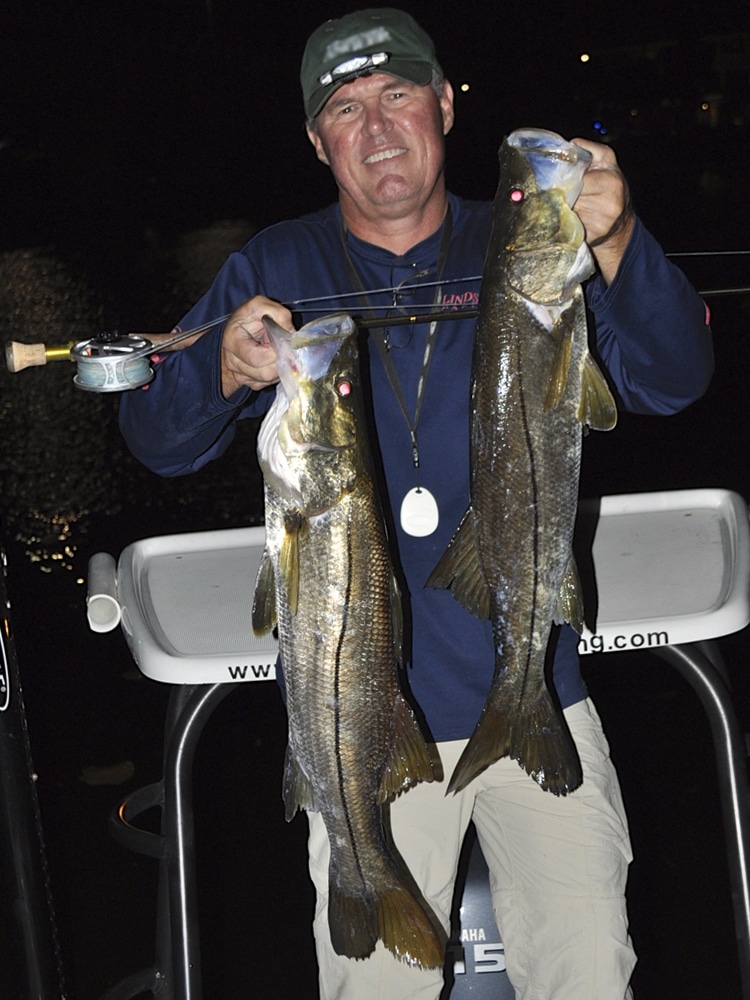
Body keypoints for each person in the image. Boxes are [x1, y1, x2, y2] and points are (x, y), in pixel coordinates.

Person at [119, 9, 713, 998]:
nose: (378, 126)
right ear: (318, 142)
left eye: (398, 94)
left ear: (443, 105)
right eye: (346, 109)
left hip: (539, 695)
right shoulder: (273, 267)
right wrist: (215, 368)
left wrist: (616, 239)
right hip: (363, 725)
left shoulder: (526, 238)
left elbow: (671, 376)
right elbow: (156, 440)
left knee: (591, 968)